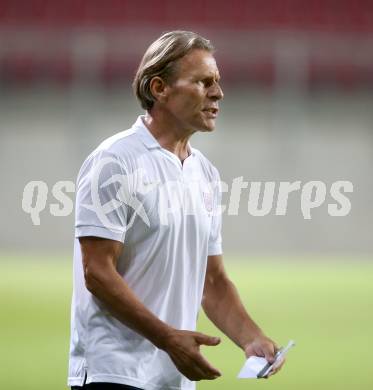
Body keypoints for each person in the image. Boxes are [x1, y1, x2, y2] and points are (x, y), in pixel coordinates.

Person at [68, 30, 285, 390]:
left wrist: (251, 338)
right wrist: (167, 338)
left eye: (217, 82)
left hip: (173, 377)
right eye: (203, 82)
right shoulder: (115, 161)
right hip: (114, 373)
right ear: (159, 88)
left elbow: (212, 281)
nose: (218, 93)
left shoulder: (205, 174)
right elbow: (97, 272)